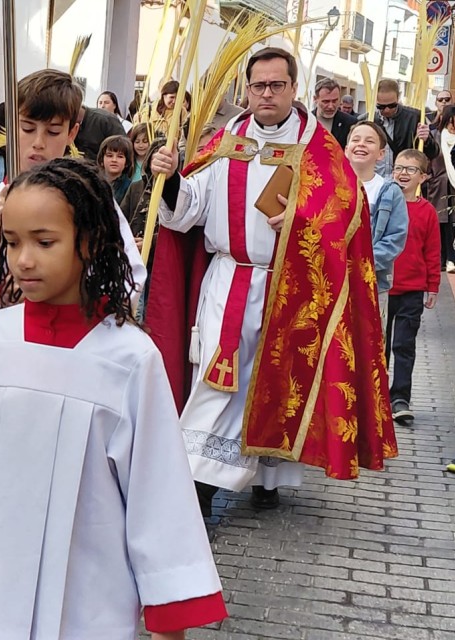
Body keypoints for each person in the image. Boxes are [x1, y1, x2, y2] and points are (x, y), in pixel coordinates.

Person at [0, 158, 228, 640]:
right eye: (10, 243)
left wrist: (168, 615)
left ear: (88, 243)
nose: (23, 260)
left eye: (44, 242)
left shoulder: (130, 358)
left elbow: (158, 493)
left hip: (88, 591)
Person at [147, 48, 397, 516]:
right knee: (218, 382)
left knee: (276, 386)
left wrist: (301, 222)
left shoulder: (318, 147)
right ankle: (198, 490)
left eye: (276, 85)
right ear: (247, 88)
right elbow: (188, 211)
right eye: (258, 85)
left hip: (291, 288)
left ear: (293, 88)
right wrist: (169, 178)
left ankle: (266, 476)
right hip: (228, 281)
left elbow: (348, 216)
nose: (266, 93)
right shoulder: (225, 141)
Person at [0, 69, 146, 327]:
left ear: (71, 133)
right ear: (10, 126)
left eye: (52, 132)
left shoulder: (94, 204)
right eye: (27, 128)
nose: (38, 142)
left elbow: (130, 275)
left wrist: (71, 296)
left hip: (75, 345)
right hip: (3, 344)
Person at [385, 149, 441, 425]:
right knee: (377, 346)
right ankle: (374, 395)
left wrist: (433, 286)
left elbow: (432, 251)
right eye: (398, 168)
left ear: (423, 176)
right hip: (382, 287)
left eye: (410, 169)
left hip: (412, 290)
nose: (403, 174)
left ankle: (400, 399)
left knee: (403, 346)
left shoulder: (427, 211)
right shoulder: (382, 202)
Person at [345, 121, 409, 333]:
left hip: (372, 282)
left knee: (367, 344)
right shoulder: (330, 186)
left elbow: (395, 238)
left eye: (369, 141)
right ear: (346, 149)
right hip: (331, 280)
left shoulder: (389, 192)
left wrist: (360, 263)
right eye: (356, 140)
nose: (361, 144)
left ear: (381, 154)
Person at [374, 78, 438, 177]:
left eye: (392, 105)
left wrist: (426, 140)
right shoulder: (369, 120)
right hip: (375, 180)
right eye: (381, 107)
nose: (387, 110)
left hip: (404, 180)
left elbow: (433, 153)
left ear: (398, 97)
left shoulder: (414, 117)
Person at [426, 105, 455, 272]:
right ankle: (439, 259)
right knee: (439, 223)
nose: (454, 127)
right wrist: (430, 176)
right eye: (451, 123)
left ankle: (452, 258)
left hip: (454, 187)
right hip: (438, 185)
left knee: (453, 223)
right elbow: (427, 157)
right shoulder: (436, 136)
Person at [312, 78, 358, 147]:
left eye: (334, 101)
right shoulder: (305, 121)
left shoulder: (350, 123)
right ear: (315, 99)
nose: (331, 106)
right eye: (326, 101)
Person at [98, 134, 134, 202]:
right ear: (101, 160)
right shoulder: (94, 184)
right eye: (109, 155)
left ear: (126, 162)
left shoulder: (131, 188)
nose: (114, 160)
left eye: (120, 156)